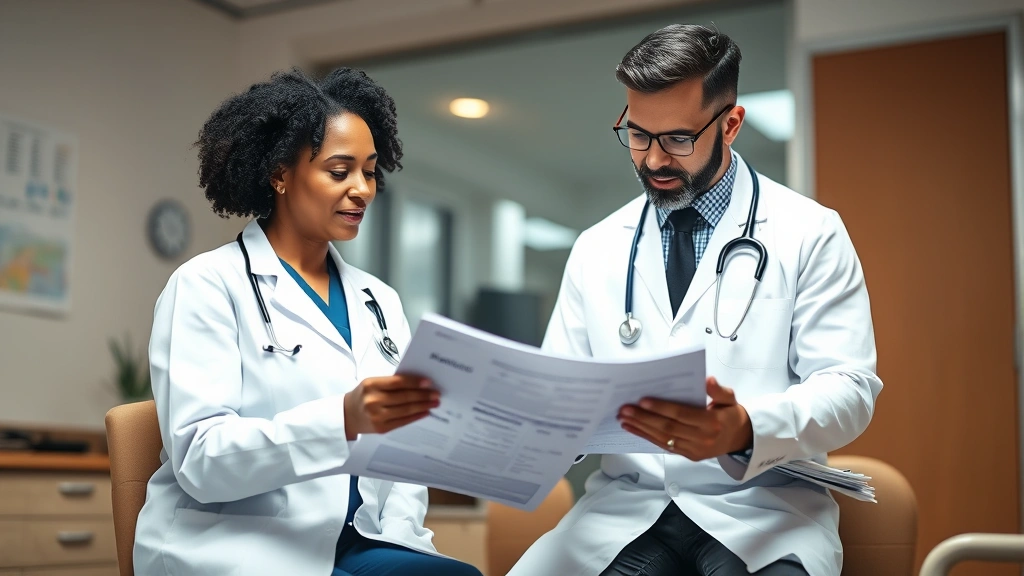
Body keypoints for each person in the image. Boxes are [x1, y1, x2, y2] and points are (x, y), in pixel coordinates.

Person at [509, 24, 881, 576]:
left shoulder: (810, 232)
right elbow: (558, 392)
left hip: (760, 506)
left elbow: (849, 388)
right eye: (638, 135)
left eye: (678, 139)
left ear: (730, 124)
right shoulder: (596, 247)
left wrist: (745, 426)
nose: (654, 160)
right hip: (626, 508)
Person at [133, 67, 482, 576]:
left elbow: (404, 460)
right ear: (279, 174)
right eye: (340, 172)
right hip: (241, 544)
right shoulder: (207, 285)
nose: (362, 190)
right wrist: (343, 419)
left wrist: (404, 536)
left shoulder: (379, 301)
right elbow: (201, 462)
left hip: (361, 543)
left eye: (370, 172)